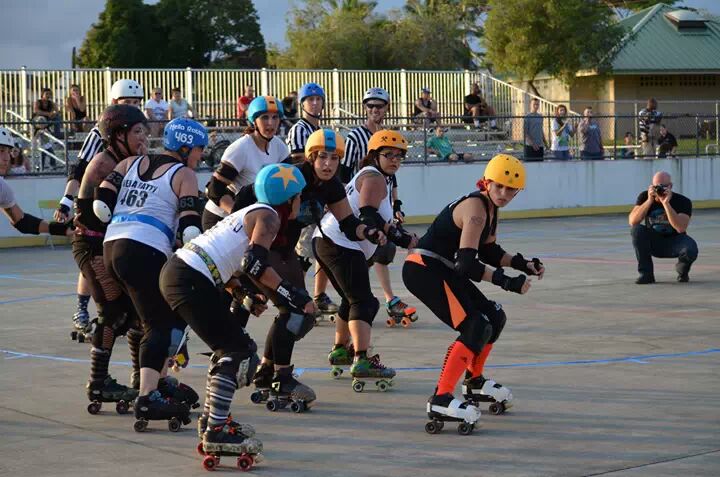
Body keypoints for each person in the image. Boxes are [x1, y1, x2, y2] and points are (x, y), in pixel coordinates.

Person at [159, 163, 309, 459]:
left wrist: (242, 294)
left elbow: (227, 263)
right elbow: (254, 264)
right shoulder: (268, 216)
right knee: (239, 352)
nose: (301, 202)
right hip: (190, 276)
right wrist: (290, 294)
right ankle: (216, 428)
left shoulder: (249, 213)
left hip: (181, 271)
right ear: (288, 198)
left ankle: (212, 420)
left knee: (227, 349)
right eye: (299, 196)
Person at [236, 129, 378, 406]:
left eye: (334, 158)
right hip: (262, 249)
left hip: (285, 250)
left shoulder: (332, 185)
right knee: (295, 310)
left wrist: (368, 232)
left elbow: (348, 224)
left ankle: (266, 369)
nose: (328, 164)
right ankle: (282, 377)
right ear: (310, 157)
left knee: (304, 313)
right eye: (322, 157)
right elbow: (245, 194)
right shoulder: (290, 174)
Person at [403, 154, 542, 430]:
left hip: (441, 268)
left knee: (494, 316)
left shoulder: (490, 208)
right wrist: (507, 282)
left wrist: (523, 264)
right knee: (475, 326)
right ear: (486, 182)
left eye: (511, 190)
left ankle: (474, 381)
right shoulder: (476, 208)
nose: (504, 194)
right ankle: (441, 398)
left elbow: (489, 251)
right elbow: (466, 264)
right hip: (423, 269)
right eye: (499, 186)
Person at [96, 117, 207, 427]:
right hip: (145, 249)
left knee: (151, 317)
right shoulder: (184, 174)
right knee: (159, 324)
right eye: (199, 150)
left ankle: (157, 381)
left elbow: (102, 198)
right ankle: (147, 397)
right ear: (185, 148)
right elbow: (189, 227)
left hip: (112, 246)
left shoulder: (130, 161)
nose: (200, 157)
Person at [314, 129, 418, 392]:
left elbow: (377, 218)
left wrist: (400, 236)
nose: (395, 160)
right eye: (389, 154)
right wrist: (399, 237)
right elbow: (368, 215)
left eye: (399, 156)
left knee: (350, 299)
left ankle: (340, 350)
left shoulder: (377, 177)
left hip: (327, 240)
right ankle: (361, 360)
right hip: (340, 242)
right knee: (365, 302)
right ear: (374, 155)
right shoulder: (374, 178)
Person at [72, 105, 149, 412]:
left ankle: (140, 377)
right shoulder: (104, 164)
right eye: (137, 132)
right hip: (92, 246)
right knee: (113, 312)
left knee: (136, 311)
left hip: (111, 245)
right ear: (118, 135)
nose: (144, 138)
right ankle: (98, 382)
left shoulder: (125, 159)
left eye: (144, 131)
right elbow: (96, 217)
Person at [54, 79, 145, 337]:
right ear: (114, 103)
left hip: (120, 206)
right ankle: (83, 310)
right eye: (127, 102)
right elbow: (80, 169)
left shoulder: (136, 131)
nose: (133, 107)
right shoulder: (101, 132)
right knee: (94, 259)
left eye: (136, 102)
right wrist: (67, 201)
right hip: (95, 201)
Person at [339, 88, 417, 325]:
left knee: (380, 251)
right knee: (344, 250)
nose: (375, 110)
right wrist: (337, 203)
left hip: (377, 201)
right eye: (371, 106)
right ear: (365, 108)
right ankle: (322, 296)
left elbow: (392, 177)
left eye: (379, 106)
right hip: (356, 202)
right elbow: (344, 172)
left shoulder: (387, 136)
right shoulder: (355, 137)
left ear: (386, 109)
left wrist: (396, 203)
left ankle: (386, 299)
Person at [285, 83, 340, 315]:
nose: (315, 103)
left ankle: (318, 296)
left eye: (319, 99)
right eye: (310, 99)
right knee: (303, 253)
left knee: (322, 247)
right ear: (302, 104)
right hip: (304, 198)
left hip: (319, 196)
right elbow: (300, 166)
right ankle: (299, 298)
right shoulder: (299, 129)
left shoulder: (320, 130)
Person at [203, 95, 287, 231]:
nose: (271, 123)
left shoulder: (278, 146)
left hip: (251, 216)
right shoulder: (241, 148)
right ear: (254, 121)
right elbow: (214, 189)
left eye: (275, 117)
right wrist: (238, 215)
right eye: (265, 117)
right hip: (221, 218)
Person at [0, 127, 73, 237]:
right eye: (1, 151)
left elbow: (21, 222)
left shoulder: (3, 188)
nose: (7, 158)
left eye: (8, 151)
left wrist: (60, 229)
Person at [628, 171, 697, 284]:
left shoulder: (683, 201)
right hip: (654, 242)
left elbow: (680, 228)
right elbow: (632, 221)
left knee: (691, 248)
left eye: (663, 186)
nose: (659, 190)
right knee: (637, 230)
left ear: (670, 186)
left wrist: (666, 204)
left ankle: (682, 271)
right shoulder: (645, 197)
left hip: (675, 241)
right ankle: (646, 274)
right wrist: (649, 201)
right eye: (656, 187)